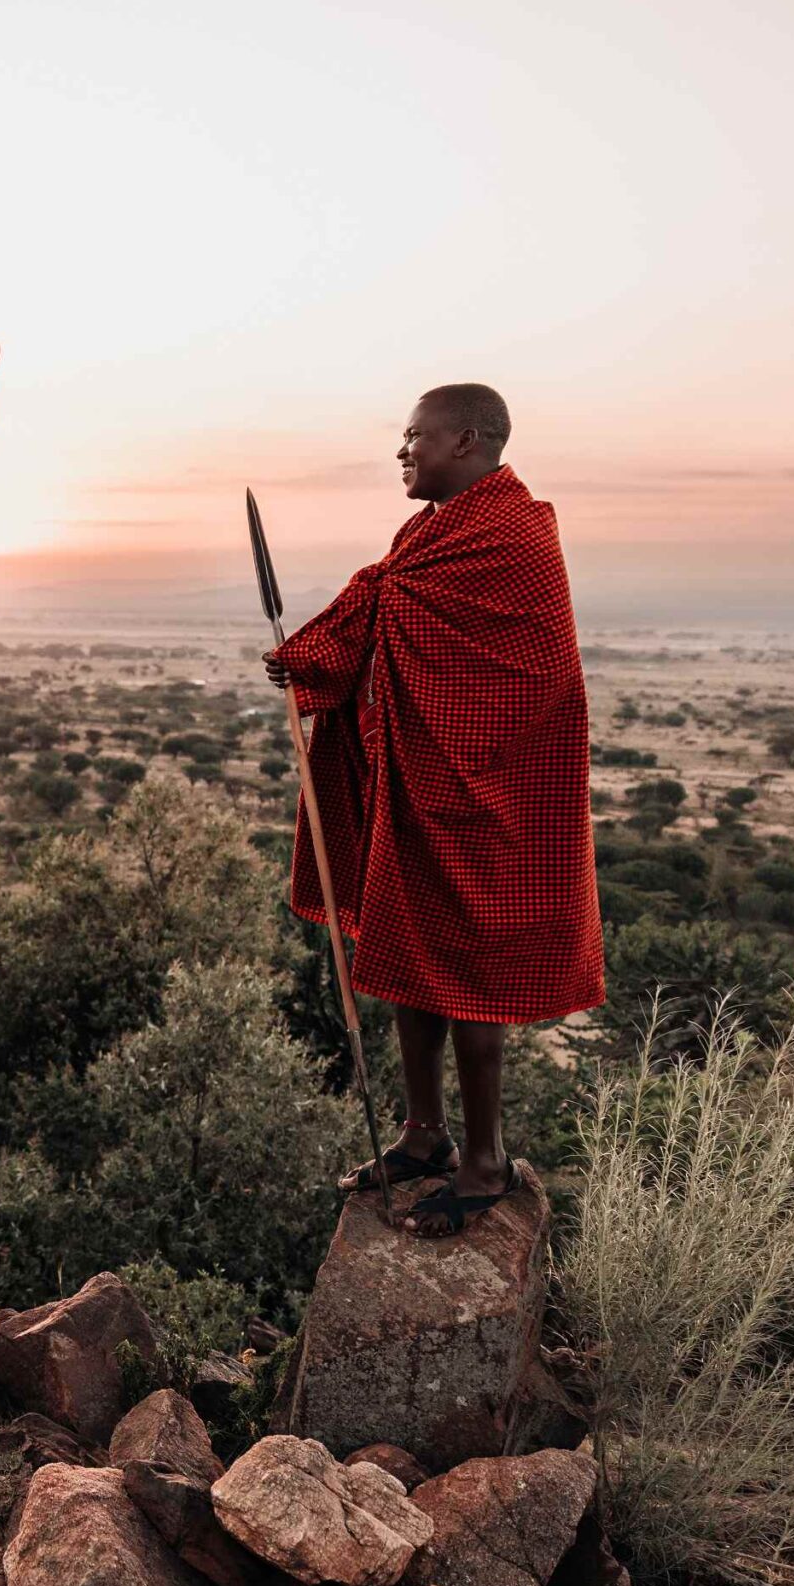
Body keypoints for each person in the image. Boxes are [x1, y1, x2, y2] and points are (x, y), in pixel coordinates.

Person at [263, 383, 603, 1237]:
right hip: (417, 780)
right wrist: (316, 660)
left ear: (468, 438)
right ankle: (425, 1134)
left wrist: (328, 643)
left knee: (475, 969)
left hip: (492, 791)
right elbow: (387, 620)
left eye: (415, 436)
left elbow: (523, 677)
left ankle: (486, 1160)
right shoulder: (428, 530)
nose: (402, 451)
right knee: (409, 953)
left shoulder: (514, 533)